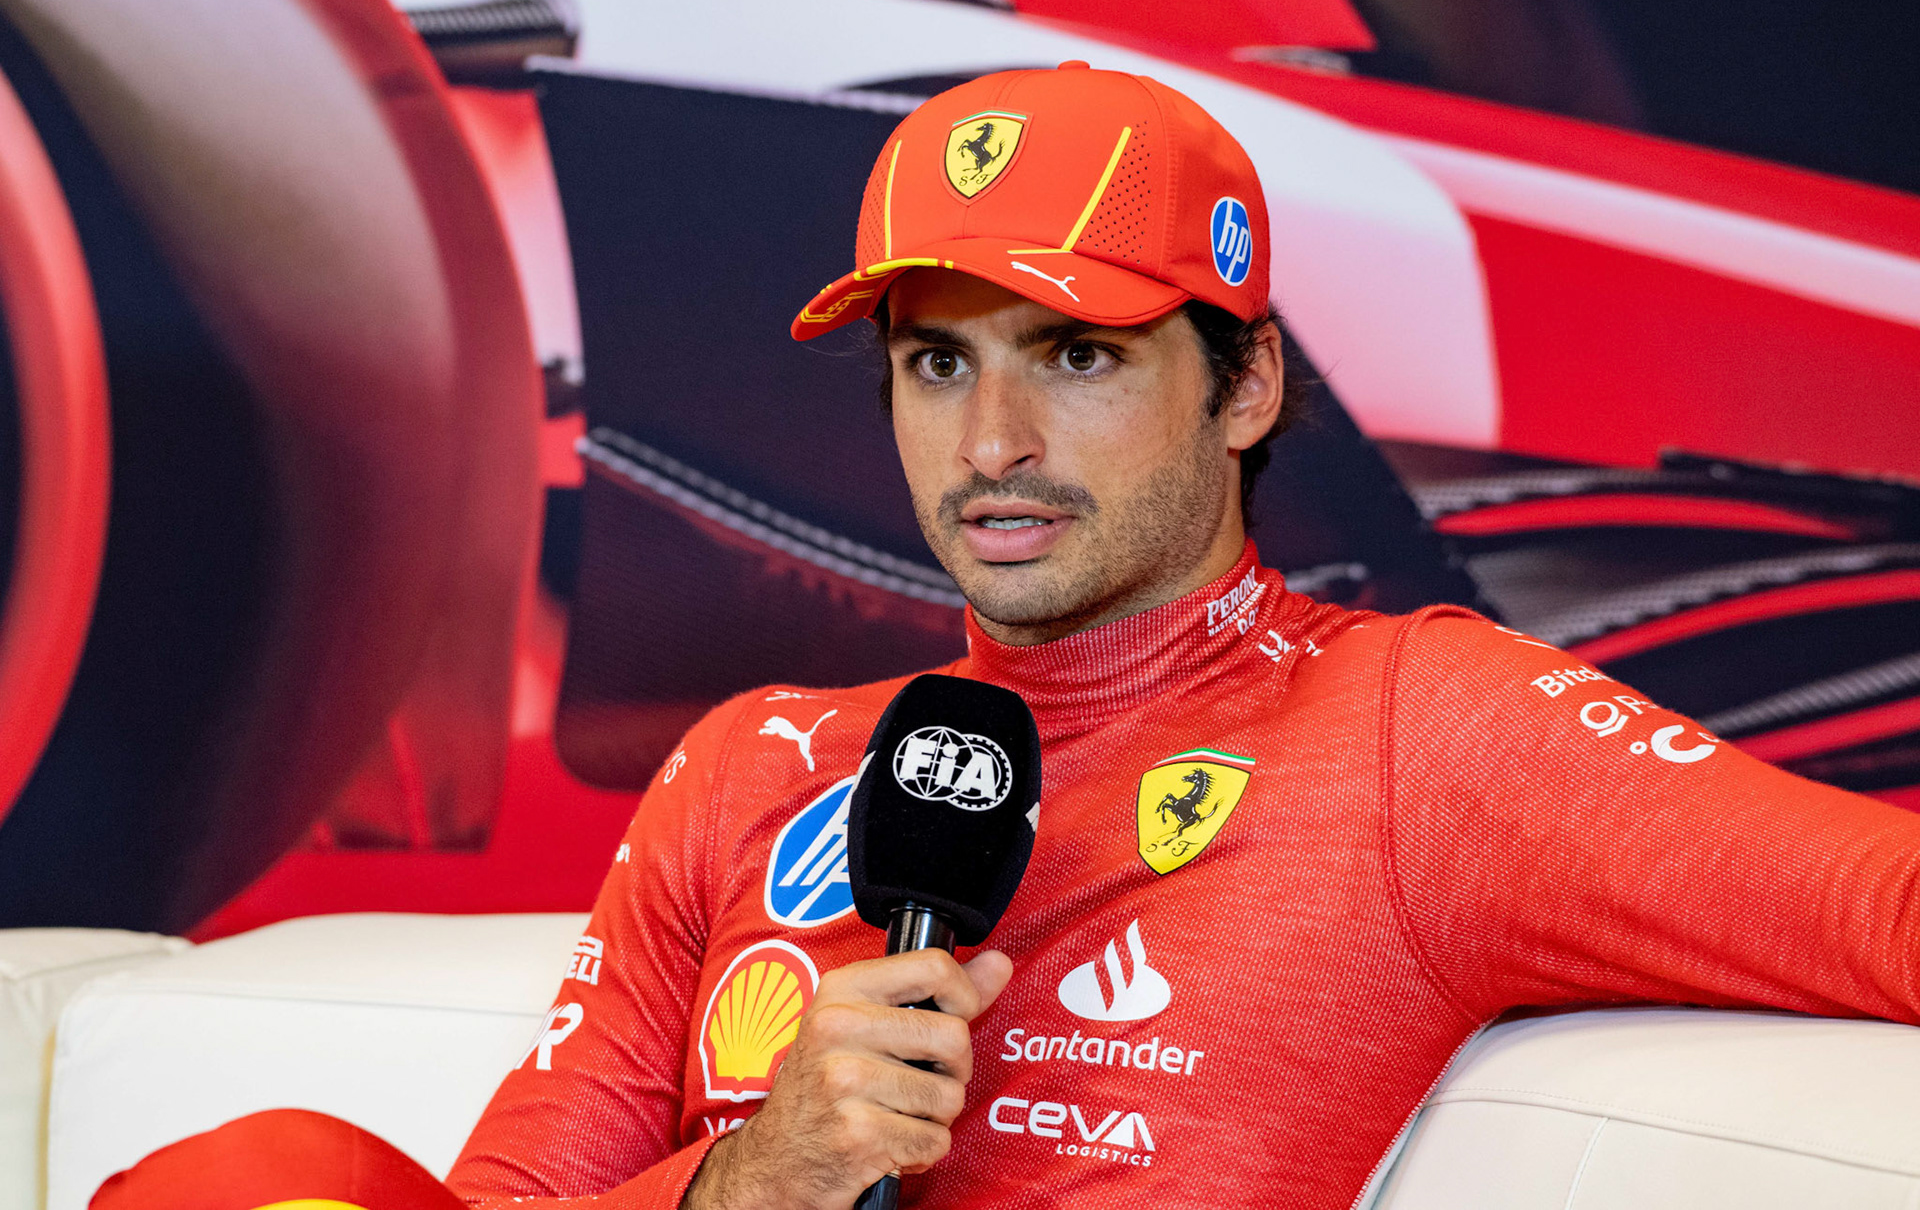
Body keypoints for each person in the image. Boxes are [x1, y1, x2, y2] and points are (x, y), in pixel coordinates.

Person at [96, 63, 1920, 1210]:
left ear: (1249, 383)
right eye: (936, 363)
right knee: (249, 1183)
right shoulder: (758, 761)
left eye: (1079, 357)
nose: (991, 450)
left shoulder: (1420, 730)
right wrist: (765, 1181)